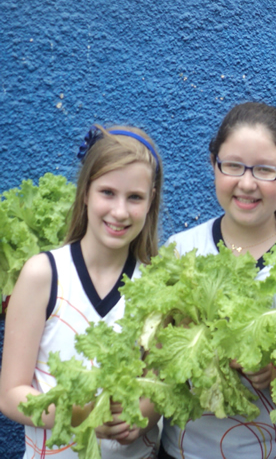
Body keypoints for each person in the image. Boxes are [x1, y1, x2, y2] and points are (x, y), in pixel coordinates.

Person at [160, 102, 276, 459]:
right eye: (233, 166)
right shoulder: (181, 250)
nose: (247, 183)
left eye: (265, 170)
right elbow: (155, 359)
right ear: (213, 164)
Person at [0, 125, 163, 458]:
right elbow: (11, 395)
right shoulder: (44, 275)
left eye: (134, 197)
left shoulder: (157, 284)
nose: (120, 211)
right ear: (85, 192)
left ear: (151, 201)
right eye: (107, 192)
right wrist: (83, 414)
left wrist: (141, 418)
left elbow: (160, 385)